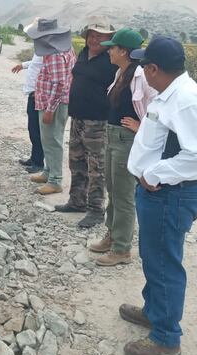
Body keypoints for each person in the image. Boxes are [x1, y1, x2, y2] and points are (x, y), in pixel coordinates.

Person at [119, 36, 197, 355]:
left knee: (164, 263)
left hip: (168, 195)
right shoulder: (169, 94)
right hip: (157, 193)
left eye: (145, 65)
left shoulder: (186, 100)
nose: (143, 70)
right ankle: (154, 311)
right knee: (153, 255)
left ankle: (166, 337)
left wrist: (154, 174)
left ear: (154, 69)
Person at [89, 28, 157, 266]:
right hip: (114, 137)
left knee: (123, 195)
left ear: (124, 51)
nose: (109, 51)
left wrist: (143, 126)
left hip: (127, 141)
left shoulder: (140, 75)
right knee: (112, 190)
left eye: (113, 47)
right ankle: (112, 235)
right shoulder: (121, 72)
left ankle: (122, 249)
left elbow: (158, 103)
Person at [54, 20, 118, 227]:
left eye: (100, 36)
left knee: (96, 167)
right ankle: (77, 201)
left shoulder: (111, 60)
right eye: (92, 34)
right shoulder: (82, 54)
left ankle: (96, 210)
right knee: (76, 162)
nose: (94, 39)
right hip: (77, 118)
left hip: (98, 122)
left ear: (109, 39)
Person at [25, 18, 77, 195]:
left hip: (53, 104)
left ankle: (55, 179)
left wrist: (49, 109)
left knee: (52, 140)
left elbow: (59, 84)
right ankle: (48, 172)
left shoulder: (55, 54)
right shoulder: (64, 49)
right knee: (49, 139)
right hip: (54, 102)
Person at [12, 42, 44, 173]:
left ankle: (38, 162)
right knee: (32, 129)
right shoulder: (41, 50)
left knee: (36, 130)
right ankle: (34, 158)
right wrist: (23, 65)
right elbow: (35, 63)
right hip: (32, 94)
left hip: (39, 95)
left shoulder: (49, 51)